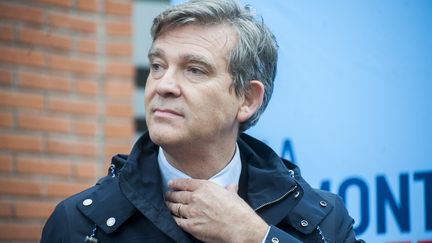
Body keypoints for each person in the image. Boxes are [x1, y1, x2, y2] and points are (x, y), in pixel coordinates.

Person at [41, 0, 364, 242]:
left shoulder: (324, 219)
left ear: (247, 99)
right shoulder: (81, 223)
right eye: (157, 65)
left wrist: (256, 236)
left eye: (194, 69)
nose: (163, 85)